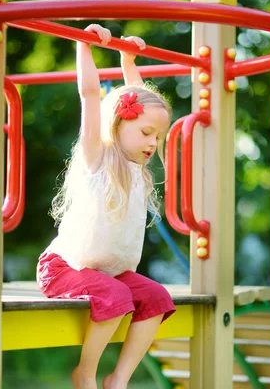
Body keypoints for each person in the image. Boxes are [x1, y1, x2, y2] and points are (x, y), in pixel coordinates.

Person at [36, 23, 176, 389]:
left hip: (108, 272)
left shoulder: (136, 170)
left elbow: (138, 98)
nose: (153, 143)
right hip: (64, 268)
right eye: (147, 133)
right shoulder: (96, 158)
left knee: (158, 298)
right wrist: (84, 46)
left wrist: (128, 60)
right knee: (115, 296)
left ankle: (119, 378)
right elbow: (89, 96)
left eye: (158, 136)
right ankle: (85, 372)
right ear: (118, 123)